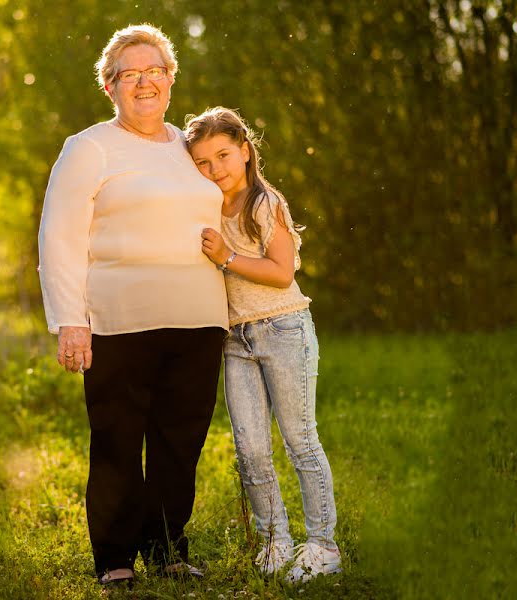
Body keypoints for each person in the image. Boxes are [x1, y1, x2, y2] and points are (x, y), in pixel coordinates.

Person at [37, 25, 228, 586]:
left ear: (171, 79)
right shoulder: (89, 147)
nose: (145, 83)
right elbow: (59, 235)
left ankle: (168, 550)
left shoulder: (188, 146)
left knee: (180, 443)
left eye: (155, 71)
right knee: (118, 441)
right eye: (130, 74)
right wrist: (70, 321)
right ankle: (116, 560)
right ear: (110, 85)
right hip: (120, 322)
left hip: (199, 320)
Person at [184, 107, 341, 583]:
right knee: (250, 449)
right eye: (203, 163)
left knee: (300, 441)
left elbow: (281, 272)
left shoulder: (263, 202)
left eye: (224, 155)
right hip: (234, 338)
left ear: (246, 152)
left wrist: (227, 257)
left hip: (283, 329)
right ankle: (276, 539)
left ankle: (323, 545)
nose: (216, 169)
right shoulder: (206, 208)